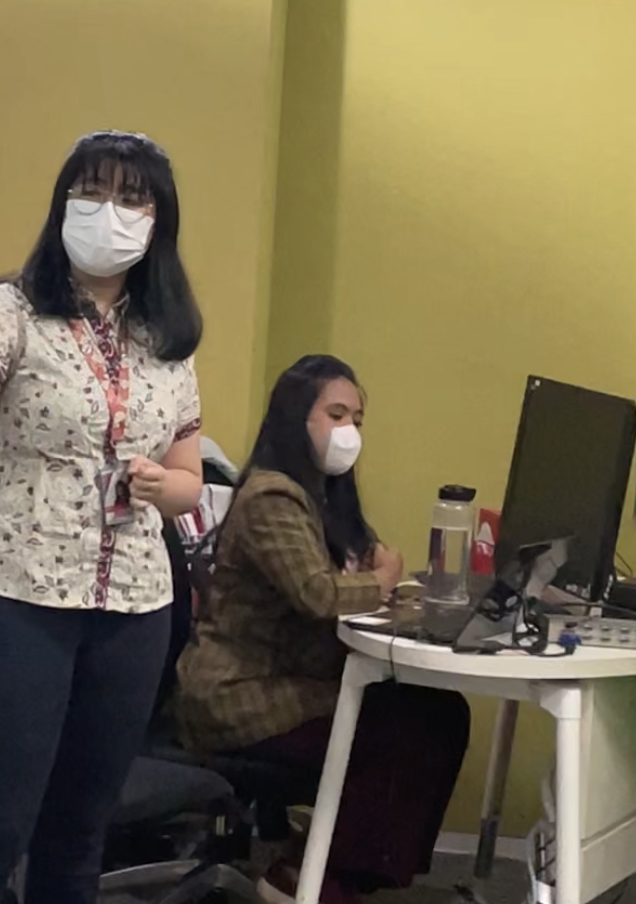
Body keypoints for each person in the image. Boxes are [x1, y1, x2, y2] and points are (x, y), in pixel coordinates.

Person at [0, 131, 205, 904]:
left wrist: (160, 483)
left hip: (133, 606)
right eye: (90, 191)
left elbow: (189, 481)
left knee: (79, 839)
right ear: (63, 203)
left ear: (159, 220)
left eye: (131, 197)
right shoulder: (10, 310)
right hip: (13, 597)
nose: (109, 210)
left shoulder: (166, 336)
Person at [174, 355, 470, 904]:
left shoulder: (321, 495)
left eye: (356, 419)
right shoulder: (271, 496)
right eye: (336, 415)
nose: (349, 431)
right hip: (240, 693)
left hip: (293, 680)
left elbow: (341, 575)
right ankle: (318, 880)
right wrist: (381, 580)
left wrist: (372, 573)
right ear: (297, 418)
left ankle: (340, 869)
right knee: (401, 732)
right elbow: (320, 594)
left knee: (440, 712)